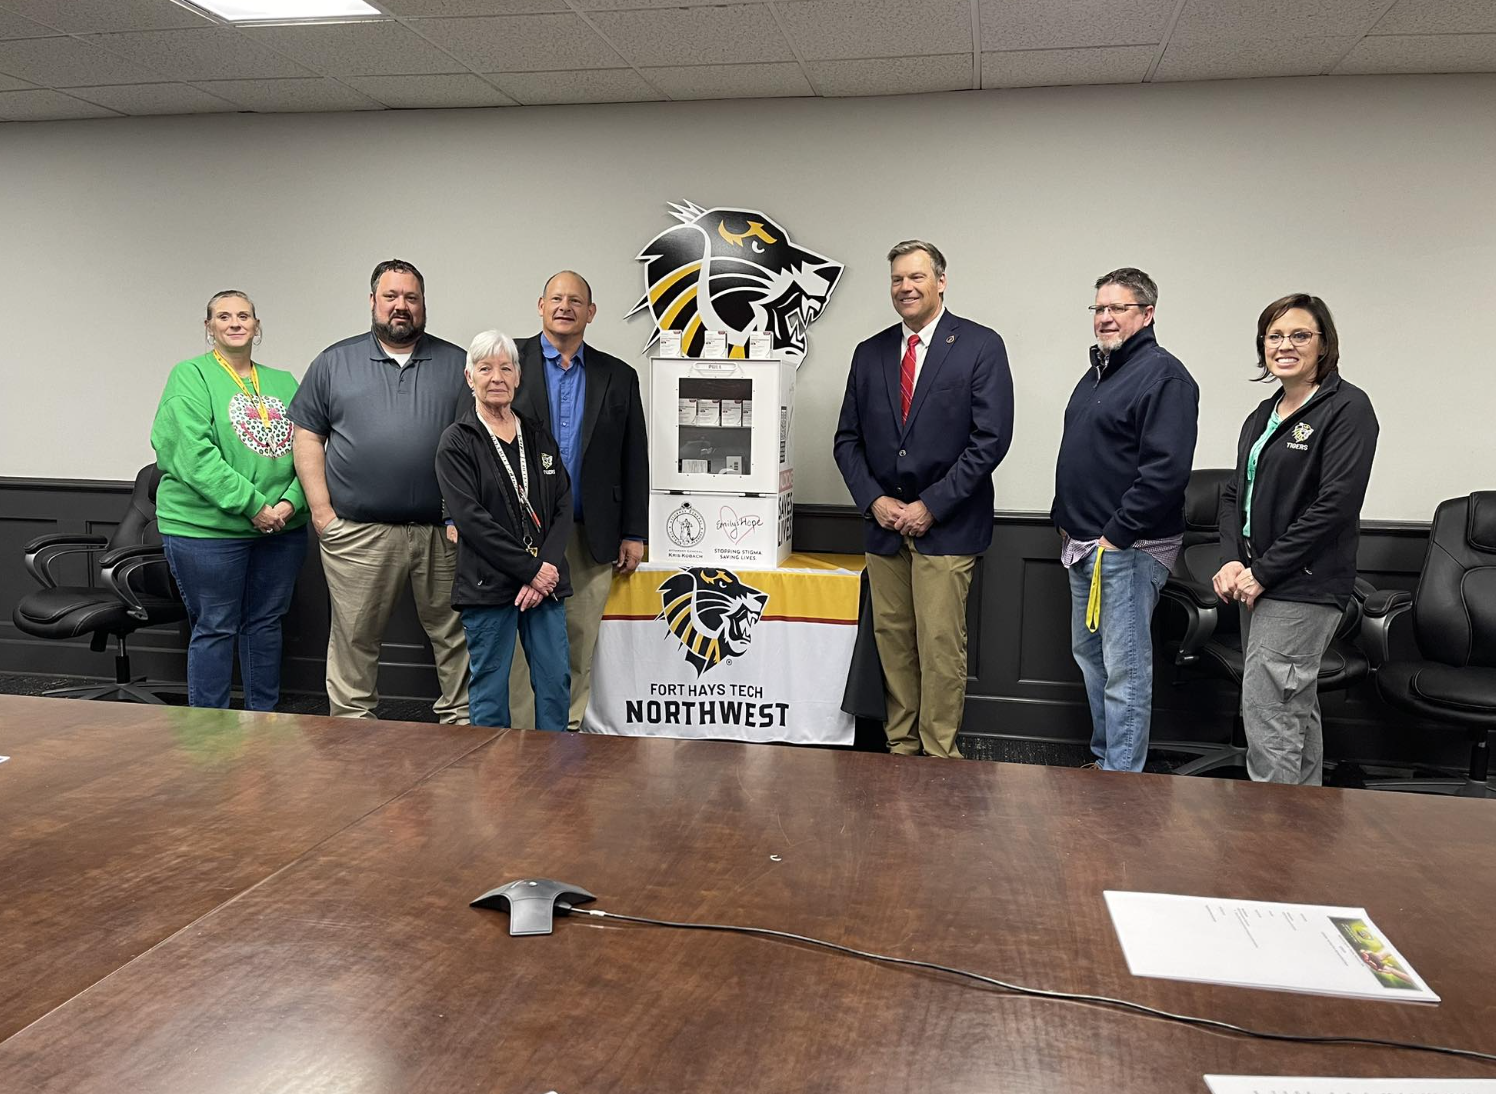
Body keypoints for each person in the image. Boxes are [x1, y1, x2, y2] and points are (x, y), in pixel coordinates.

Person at [833, 240, 1014, 758]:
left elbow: (990, 440)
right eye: (896, 279)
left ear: (941, 280)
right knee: (893, 640)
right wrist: (874, 501)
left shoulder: (980, 346)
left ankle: (940, 756)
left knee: (939, 646)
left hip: (948, 527)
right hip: (884, 528)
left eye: (916, 277)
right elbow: (847, 440)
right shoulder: (870, 353)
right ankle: (901, 748)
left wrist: (931, 505)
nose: (905, 288)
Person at [289, 259, 470, 723]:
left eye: (411, 297)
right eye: (391, 297)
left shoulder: (458, 365)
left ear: (423, 303)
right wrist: (321, 512)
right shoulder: (334, 362)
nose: (401, 307)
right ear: (373, 302)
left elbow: (479, 445)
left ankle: (464, 725)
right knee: (355, 636)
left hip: (442, 534)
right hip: (358, 534)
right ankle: (351, 731)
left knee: (456, 635)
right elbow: (307, 434)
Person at [1214, 294, 1377, 786]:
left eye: (1300, 335)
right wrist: (1230, 562)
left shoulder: (1347, 408)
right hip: (1255, 583)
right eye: (1274, 336)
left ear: (1323, 344)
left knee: (1270, 719)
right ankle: (1304, 843)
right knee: (1291, 714)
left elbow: (1335, 506)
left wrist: (1263, 570)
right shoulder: (1263, 413)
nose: (1285, 345)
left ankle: (1273, 852)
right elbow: (1231, 494)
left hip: (1301, 586)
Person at [1052, 268, 1198, 772]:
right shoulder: (1100, 372)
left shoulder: (1164, 376)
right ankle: (1105, 763)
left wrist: (1116, 535)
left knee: (1125, 671)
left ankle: (1122, 780)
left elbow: (1166, 472)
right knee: (1093, 661)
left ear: (1148, 314)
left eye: (1119, 308)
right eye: (1099, 308)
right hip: (1083, 545)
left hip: (1126, 550)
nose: (1106, 318)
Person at [151, 290, 308, 711]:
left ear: (257, 326)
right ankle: (210, 732)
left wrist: (290, 504)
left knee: (266, 626)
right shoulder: (190, 376)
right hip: (207, 531)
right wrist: (253, 506)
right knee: (216, 627)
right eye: (224, 316)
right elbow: (191, 454)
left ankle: (264, 722)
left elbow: (311, 452)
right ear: (209, 328)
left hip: (282, 528)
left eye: (244, 315)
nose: (235, 323)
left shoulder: (285, 381)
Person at [507, 270, 648, 730]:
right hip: (521, 536)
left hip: (592, 534)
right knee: (523, 642)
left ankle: (565, 734)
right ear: (540, 305)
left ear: (590, 313)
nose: (564, 306)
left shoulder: (618, 375)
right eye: (556, 298)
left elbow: (634, 457)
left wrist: (634, 531)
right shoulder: (507, 363)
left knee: (578, 640)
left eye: (575, 300)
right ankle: (522, 739)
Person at [436, 331, 573, 730]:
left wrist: (544, 567)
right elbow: (472, 521)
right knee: (490, 689)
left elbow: (562, 504)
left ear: (518, 377)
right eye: (485, 368)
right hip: (489, 582)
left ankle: (557, 774)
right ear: (469, 377)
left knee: (554, 683)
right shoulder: (457, 442)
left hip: (544, 583)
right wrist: (530, 570)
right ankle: (494, 783)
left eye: (505, 368)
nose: (496, 377)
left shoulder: (537, 434)